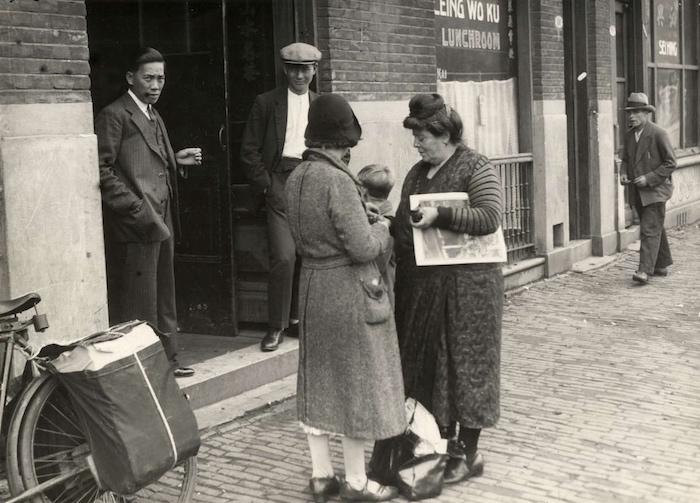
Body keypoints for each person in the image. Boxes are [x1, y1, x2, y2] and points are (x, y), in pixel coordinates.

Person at [285, 93, 405, 502]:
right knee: (355, 386)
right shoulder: (337, 180)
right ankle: (356, 483)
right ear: (341, 142)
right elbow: (363, 248)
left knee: (319, 383)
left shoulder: (297, 176)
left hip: (313, 289)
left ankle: (322, 478)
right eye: (348, 145)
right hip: (349, 291)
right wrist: (384, 223)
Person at [393, 93, 504, 485]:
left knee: (467, 368)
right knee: (432, 367)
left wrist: (440, 215)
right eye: (416, 136)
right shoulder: (417, 172)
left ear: (443, 134)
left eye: (422, 135)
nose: (417, 143)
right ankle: (436, 445)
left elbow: (489, 216)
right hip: (425, 289)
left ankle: (467, 454)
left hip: (469, 293)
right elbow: (404, 224)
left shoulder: (477, 167)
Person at [96, 47, 203, 378]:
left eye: (161, 78)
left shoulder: (153, 114)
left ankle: (167, 362)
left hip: (161, 217)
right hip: (137, 222)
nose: (156, 84)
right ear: (131, 78)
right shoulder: (115, 115)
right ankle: (147, 371)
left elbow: (150, 159)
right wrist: (134, 207)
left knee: (163, 295)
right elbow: (102, 169)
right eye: (149, 78)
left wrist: (176, 160)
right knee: (140, 301)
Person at [240, 42, 321, 352]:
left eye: (305, 69)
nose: (299, 75)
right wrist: (266, 185)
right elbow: (249, 150)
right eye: (293, 68)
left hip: (312, 181)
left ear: (314, 70)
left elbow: (339, 145)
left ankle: (299, 320)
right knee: (284, 256)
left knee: (309, 253)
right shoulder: (266, 103)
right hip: (279, 182)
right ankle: (276, 326)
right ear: (285, 70)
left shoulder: (322, 104)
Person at [619, 92, 676, 285]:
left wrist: (649, 178)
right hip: (638, 192)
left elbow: (671, 163)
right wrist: (624, 173)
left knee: (649, 229)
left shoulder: (659, 133)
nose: (631, 116)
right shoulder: (629, 135)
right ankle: (661, 264)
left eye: (636, 112)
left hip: (656, 190)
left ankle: (644, 271)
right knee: (654, 226)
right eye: (630, 112)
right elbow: (626, 159)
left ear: (646, 113)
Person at [357, 164, 397, 308]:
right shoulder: (391, 220)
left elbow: (377, 266)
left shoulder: (383, 224)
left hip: (378, 297)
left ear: (363, 190)